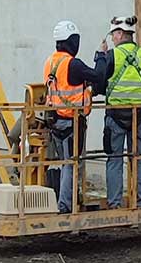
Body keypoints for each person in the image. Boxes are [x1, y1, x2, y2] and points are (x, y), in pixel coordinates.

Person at [43, 19, 108, 214]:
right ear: (72, 42)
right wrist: (101, 55)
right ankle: (65, 206)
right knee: (71, 165)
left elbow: (67, 85)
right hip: (72, 123)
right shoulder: (73, 64)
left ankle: (65, 201)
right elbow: (99, 76)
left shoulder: (51, 62)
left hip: (56, 123)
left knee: (64, 164)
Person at [94, 13, 141, 209]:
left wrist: (100, 57)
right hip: (140, 115)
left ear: (120, 34)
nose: (112, 39)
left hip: (116, 114)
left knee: (115, 160)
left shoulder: (112, 55)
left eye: (113, 35)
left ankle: (115, 203)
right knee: (139, 159)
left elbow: (99, 83)